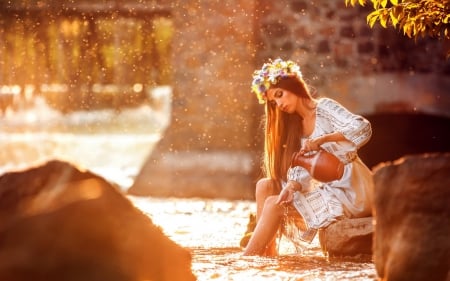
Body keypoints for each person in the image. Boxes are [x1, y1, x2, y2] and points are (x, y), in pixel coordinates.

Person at [243, 58, 374, 256]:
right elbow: (303, 165)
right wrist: (292, 185)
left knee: (273, 204)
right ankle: (266, 254)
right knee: (265, 186)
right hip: (328, 189)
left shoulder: (325, 108)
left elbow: (362, 128)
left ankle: (248, 259)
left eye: (280, 95)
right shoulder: (296, 125)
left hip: (351, 188)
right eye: (273, 101)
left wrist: (324, 139)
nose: (279, 104)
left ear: (294, 86)